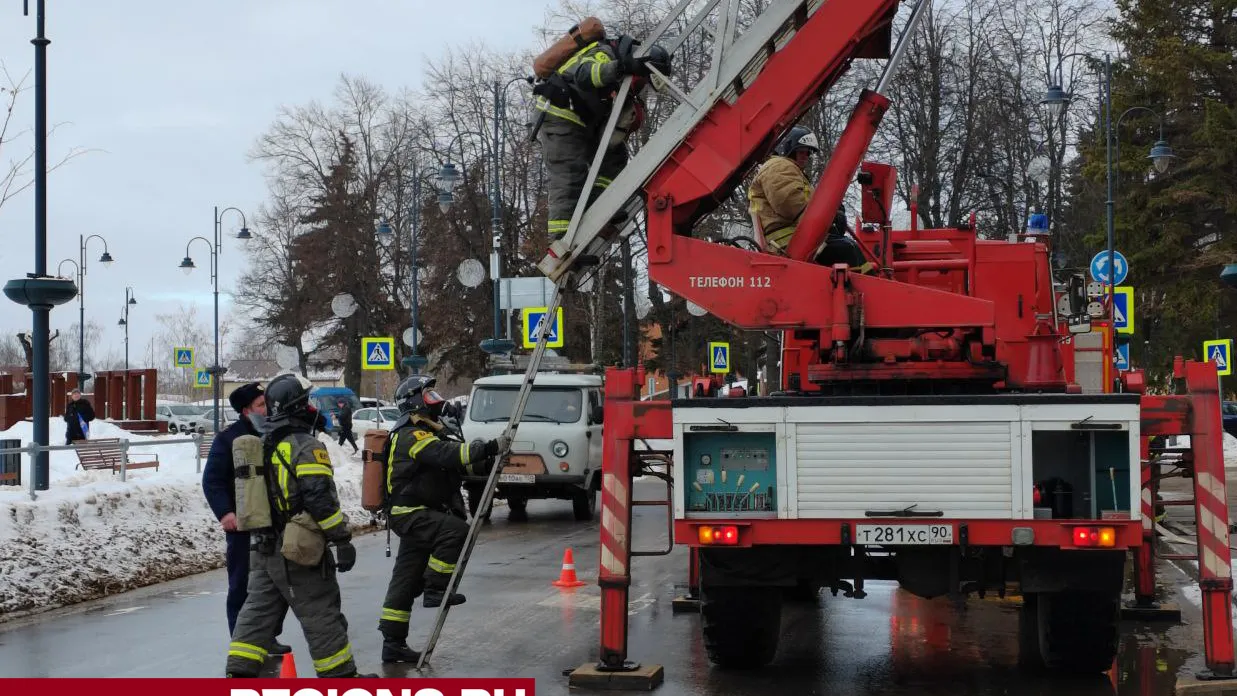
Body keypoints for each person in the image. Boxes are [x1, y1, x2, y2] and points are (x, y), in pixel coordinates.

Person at [225, 374, 374, 678]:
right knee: (320, 610)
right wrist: (341, 538)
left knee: (258, 611)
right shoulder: (305, 446)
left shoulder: (264, 442)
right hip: (297, 547)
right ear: (296, 406)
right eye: (307, 402)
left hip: (265, 545)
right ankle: (341, 678)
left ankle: (239, 673)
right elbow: (319, 498)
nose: (313, 407)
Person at [376, 375, 508, 663]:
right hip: (409, 513)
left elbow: (455, 463)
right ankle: (436, 588)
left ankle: (392, 643)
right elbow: (448, 455)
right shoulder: (412, 435)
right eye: (428, 394)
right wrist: (488, 447)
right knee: (457, 531)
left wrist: (487, 460)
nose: (434, 399)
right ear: (414, 401)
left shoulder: (427, 432)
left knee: (406, 580)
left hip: (420, 513)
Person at [534, 30, 672, 246]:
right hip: (560, 116)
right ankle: (561, 241)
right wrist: (620, 68)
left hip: (583, 120)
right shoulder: (605, 52)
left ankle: (599, 204)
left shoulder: (620, 63)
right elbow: (584, 75)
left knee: (615, 156)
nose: (643, 85)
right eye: (645, 79)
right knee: (569, 176)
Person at [201, 382, 290, 652]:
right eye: (261, 405)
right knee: (242, 583)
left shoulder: (274, 432)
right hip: (242, 524)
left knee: (278, 582)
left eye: (267, 403)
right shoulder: (229, 438)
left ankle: (268, 635)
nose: (267, 409)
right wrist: (225, 513)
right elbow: (212, 480)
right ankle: (242, 642)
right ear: (246, 411)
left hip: (274, 522)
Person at [747, 126, 871, 271]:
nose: (805, 156)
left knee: (847, 247)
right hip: (787, 239)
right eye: (801, 151)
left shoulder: (788, 169)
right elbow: (789, 203)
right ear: (787, 148)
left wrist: (831, 210)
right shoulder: (778, 166)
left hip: (792, 235)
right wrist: (829, 218)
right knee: (846, 249)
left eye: (808, 152)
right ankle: (873, 291)